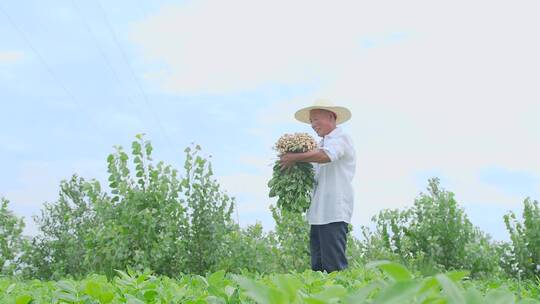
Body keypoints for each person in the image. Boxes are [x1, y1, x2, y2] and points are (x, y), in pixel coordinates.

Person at [280, 99, 356, 272]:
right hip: (318, 214)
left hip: (334, 212)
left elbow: (326, 156)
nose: (313, 125)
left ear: (331, 116)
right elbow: (314, 166)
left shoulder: (341, 137)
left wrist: (295, 157)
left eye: (316, 119)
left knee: (334, 268)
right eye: (311, 121)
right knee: (318, 268)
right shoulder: (319, 145)